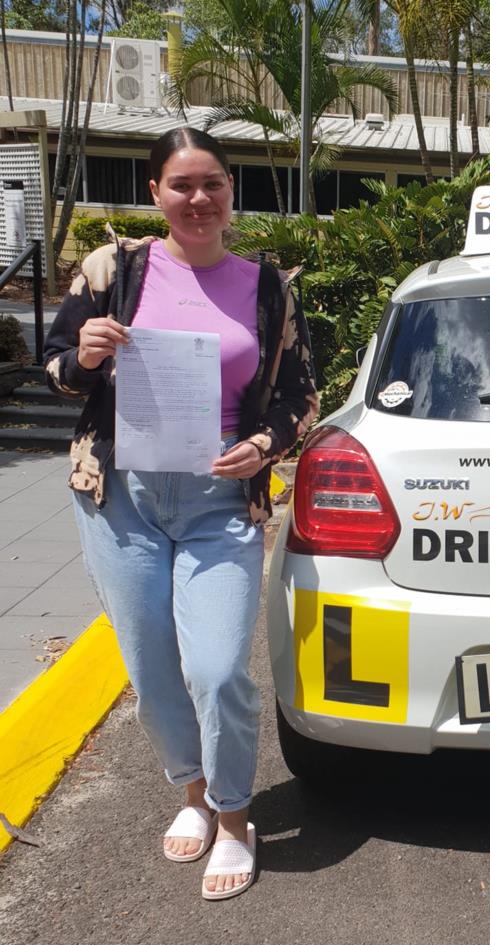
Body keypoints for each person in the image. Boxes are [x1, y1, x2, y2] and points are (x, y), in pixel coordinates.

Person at [43, 127, 319, 900]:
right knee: (153, 668)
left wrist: (263, 444)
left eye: (212, 183)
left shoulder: (267, 288)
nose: (198, 199)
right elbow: (56, 368)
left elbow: (301, 393)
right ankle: (192, 791)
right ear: (155, 193)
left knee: (218, 668)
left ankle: (234, 816)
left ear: (231, 191)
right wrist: (85, 355)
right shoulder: (113, 270)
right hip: (122, 499)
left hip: (219, 500)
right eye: (181, 184)